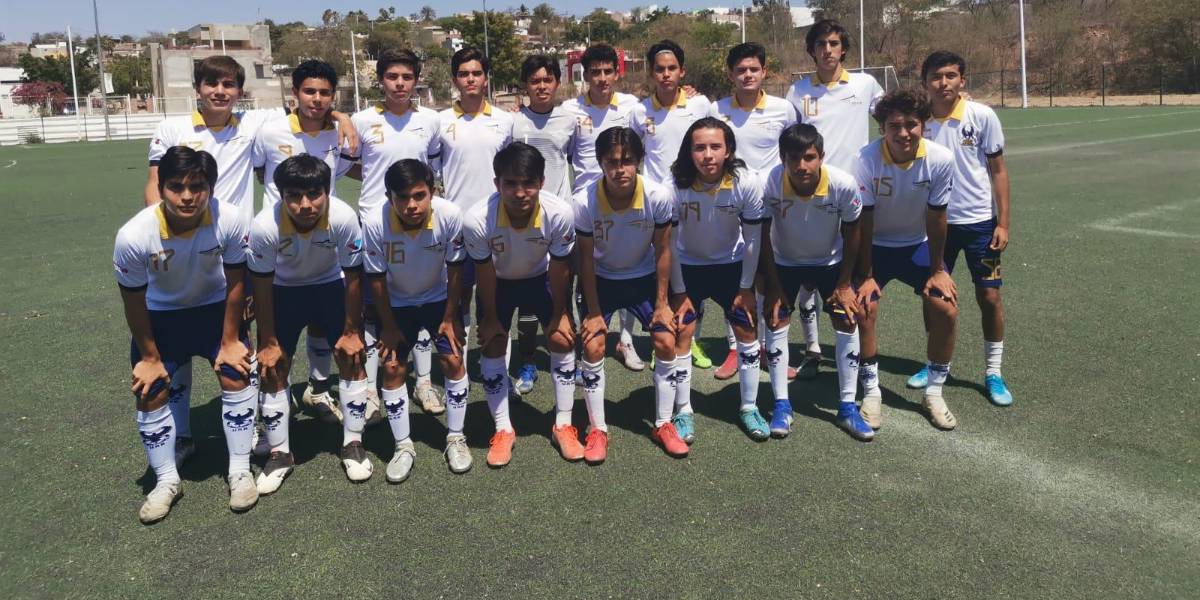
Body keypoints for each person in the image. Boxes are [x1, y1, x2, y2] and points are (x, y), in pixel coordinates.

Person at [143, 56, 356, 463]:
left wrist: (342, 117)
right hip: (182, 246)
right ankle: (183, 433)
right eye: (211, 84)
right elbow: (155, 184)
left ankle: (256, 418)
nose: (220, 92)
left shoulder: (254, 124)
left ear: (240, 92)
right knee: (177, 343)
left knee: (241, 339)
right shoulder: (172, 128)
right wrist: (164, 230)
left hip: (235, 252)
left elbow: (311, 106)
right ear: (198, 88)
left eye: (228, 85)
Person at [116, 147, 257, 523]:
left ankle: (240, 470)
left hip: (214, 312)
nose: (188, 196)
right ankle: (166, 481)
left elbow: (236, 283)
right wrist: (149, 358)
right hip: (162, 317)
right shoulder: (134, 235)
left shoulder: (230, 219)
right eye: (176, 187)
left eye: (198, 186)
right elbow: (133, 302)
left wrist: (231, 340)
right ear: (160, 188)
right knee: (151, 390)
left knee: (237, 372)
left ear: (210, 188)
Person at [246, 155, 364, 493]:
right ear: (281, 195)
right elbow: (261, 285)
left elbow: (354, 277)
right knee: (272, 366)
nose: (305, 205)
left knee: (352, 356)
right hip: (283, 291)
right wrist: (267, 341)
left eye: (314, 194)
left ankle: (353, 443)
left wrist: (352, 332)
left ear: (327, 191)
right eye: (294, 196)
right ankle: (280, 453)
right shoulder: (264, 226)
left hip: (329, 286)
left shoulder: (343, 217)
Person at [574, 127, 690, 458]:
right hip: (602, 281)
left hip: (643, 279)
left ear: (639, 161)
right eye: (611, 162)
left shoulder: (657, 196)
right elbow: (584, 260)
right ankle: (597, 429)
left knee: (666, 340)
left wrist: (663, 303)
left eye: (627, 161)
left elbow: (663, 250)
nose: (620, 169)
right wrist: (593, 312)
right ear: (600, 163)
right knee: (593, 345)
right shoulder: (583, 202)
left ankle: (663, 423)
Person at [251, 59, 355, 426]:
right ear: (295, 92)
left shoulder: (338, 133)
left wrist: (342, 118)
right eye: (309, 91)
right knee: (277, 344)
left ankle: (318, 390)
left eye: (325, 93)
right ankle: (273, 413)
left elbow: (342, 172)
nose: (317, 99)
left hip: (323, 246)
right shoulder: (269, 131)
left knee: (322, 328)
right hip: (280, 250)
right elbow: (255, 170)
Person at [463, 143, 579, 467]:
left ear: (541, 182)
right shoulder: (476, 218)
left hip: (541, 278)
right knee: (492, 344)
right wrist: (489, 318)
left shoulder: (559, 213)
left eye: (528, 183)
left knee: (561, 338)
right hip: (499, 282)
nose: (519, 192)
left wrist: (561, 313)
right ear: (496, 183)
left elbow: (561, 266)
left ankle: (563, 424)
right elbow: (484, 271)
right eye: (510, 183)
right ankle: (503, 429)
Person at [909, 50, 1013, 406]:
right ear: (925, 83)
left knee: (989, 296)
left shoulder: (981, 116)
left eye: (950, 76)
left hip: (980, 225)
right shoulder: (918, 120)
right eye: (936, 77)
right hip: (934, 226)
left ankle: (993, 372)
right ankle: (935, 363)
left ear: (962, 80)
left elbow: (998, 170)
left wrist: (1003, 222)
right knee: (933, 297)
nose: (943, 83)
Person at [853, 89, 959, 432]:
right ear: (882, 128)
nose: (903, 133)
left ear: (924, 125)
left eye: (911, 124)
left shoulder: (940, 159)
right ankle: (871, 392)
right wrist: (866, 273)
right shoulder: (866, 159)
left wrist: (938, 270)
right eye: (894, 126)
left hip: (917, 245)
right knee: (864, 307)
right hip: (875, 247)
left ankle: (934, 392)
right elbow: (864, 221)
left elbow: (937, 216)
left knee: (945, 307)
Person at [759, 124, 874, 441]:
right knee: (775, 320)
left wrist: (845, 283)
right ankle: (781, 405)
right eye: (793, 158)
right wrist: (773, 285)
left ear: (821, 156)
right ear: (782, 158)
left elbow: (853, 232)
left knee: (847, 319)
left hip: (830, 263)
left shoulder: (843, 184)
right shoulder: (769, 183)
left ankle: (847, 407)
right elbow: (763, 236)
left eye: (809, 157)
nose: (801, 166)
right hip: (785, 263)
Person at [785, 19, 886, 379]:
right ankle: (812, 348)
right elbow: (789, 139)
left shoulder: (865, 84)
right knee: (806, 279)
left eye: (833, 43)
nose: (827, 50)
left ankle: (855, 358)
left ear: (843, 49)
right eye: (820, 44)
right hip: (809, 195)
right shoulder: (798, 90)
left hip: (853, 197)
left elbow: (896, 115)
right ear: (811, 50)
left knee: (850, 278)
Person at [362, 159, 475, 480]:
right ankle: (403, 446)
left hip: (438, 299)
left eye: (419, 195)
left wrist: (451, 317)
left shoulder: (450, 215)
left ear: (432, 192)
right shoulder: (374, 223)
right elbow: (376, 279)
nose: (411, 205)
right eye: (402, 197)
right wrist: (388, 327)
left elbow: (456, 269)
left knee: (453, 360)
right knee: (392, 368)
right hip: (397, 304)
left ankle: (456, 437)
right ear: (389, 197)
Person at [350, 48, 446, 418]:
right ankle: (372, 390)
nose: (400, 84)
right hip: (375, 223)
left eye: (407, 77)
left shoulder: (431, 121)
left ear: (416, 80)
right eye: (392, 77)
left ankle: (423, 383)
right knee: (373, 307)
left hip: (417, 222)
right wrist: (382, 188)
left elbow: (431, 168)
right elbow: (351, 166)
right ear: (381, 80)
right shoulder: (361, 120)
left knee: (418, 299)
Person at [667, 117, 767, 442]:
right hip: (688, 266)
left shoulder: (746, 182)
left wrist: (746, 288)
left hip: (730, 265)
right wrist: (679, 292)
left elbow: (753, 239)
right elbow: (669, 244)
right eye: (699, 148)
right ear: (689, 152)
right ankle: (683, 410)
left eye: (715, 147)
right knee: (682, 332)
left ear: (729, 151)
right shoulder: (674, 186)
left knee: (747, 327)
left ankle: (749, 406)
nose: (707, 155)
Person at [708, 42, 798, 381]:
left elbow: (793, 149)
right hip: (731, 202)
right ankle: (736, 347)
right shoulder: (716, 109)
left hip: (773, 204)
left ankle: (768, 349)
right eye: (741, 70)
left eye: (753, 69)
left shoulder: (783, 109)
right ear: (730, 74)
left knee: (768, 277)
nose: (747, 75)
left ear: (764, 72)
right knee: (737, 275)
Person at [559, 44, 648, 372]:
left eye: (607, 71)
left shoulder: (632, 107)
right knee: (584, 271)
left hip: (625, 203)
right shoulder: (569, 110)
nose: (601, 78)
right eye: (594, 72)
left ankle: (626, 339)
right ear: (585, 75)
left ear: (617, 73)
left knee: (627, 267)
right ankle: (585, 332)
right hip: (586, 207)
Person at [629, 40, 712, 372]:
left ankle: (692, 340)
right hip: (657, 205)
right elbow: (634, 152)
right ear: (651, 73)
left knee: (693, 272)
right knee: (661, 272)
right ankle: (660, 337)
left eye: (672, 68)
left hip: (694, 198)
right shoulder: (639, 112)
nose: (666, 74)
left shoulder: (700, 104)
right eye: (660, 69)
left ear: (682, 71)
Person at [510, 54, 577, 396]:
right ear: (526, 85)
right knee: (527, 296)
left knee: (563, 290)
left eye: (547, 79)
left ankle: (569, 357)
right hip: (524, 218)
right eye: (534, 80)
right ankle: (527, 361)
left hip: (560, 216)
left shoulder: (570, 120)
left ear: (557, 82)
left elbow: (576, 160)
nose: (541, 86)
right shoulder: (513, 122)